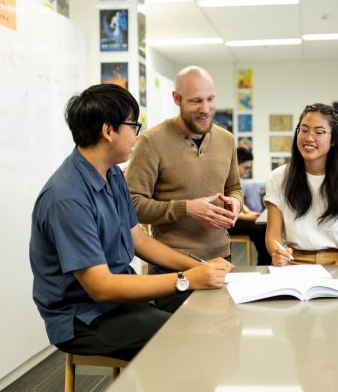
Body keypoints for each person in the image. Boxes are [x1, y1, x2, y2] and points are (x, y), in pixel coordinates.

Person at [29, 84, 233, 361]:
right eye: (133, 126)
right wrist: (187, 279)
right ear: (108, 130)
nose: (137, 135)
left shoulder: (112, 175)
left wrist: (200, 268)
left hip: (118, 304)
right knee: (188, 337)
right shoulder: (67, 198)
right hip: (81, 318)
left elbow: (138, 239)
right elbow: (100, 287)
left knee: (208, 321)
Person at [125, 66, 243, 271]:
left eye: (210, 99)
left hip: (222, 258)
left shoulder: (227, 140)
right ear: (176, 98)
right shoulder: (150, 141)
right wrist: (186, 209)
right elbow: (132, 206)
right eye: (196, 101)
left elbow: (234, 188)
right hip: (170, 263)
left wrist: (236, 202)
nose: (205, 108)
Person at [264, 103, 338, 266]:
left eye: (319, 132)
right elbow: (273, 234)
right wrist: (277, 251)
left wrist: (335, 275)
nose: (309, 138)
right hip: (293, 262)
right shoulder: (278, 178)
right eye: (304, 130)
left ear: (333, 139)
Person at [227, 147, 271, 265]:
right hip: (227, 222)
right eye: (245, 168)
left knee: (264, 227)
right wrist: (249, 217)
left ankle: (265, 262)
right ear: (235, 164)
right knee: (259, 230)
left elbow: (240, 203)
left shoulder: (238, 181)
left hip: (235, 217)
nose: (247, 171)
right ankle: (264, 264)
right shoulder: (226, 179)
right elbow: (227, 210)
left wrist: (250, 213)